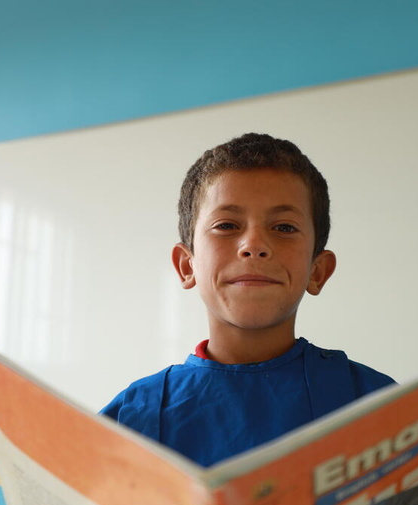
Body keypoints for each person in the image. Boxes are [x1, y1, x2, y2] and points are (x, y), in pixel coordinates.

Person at [100, 133, 395, 466]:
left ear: (318, 271)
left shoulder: (379, 404)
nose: (254, 244)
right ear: (187, 266)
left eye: (284, 227)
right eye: (226, 225)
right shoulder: (129, 418)